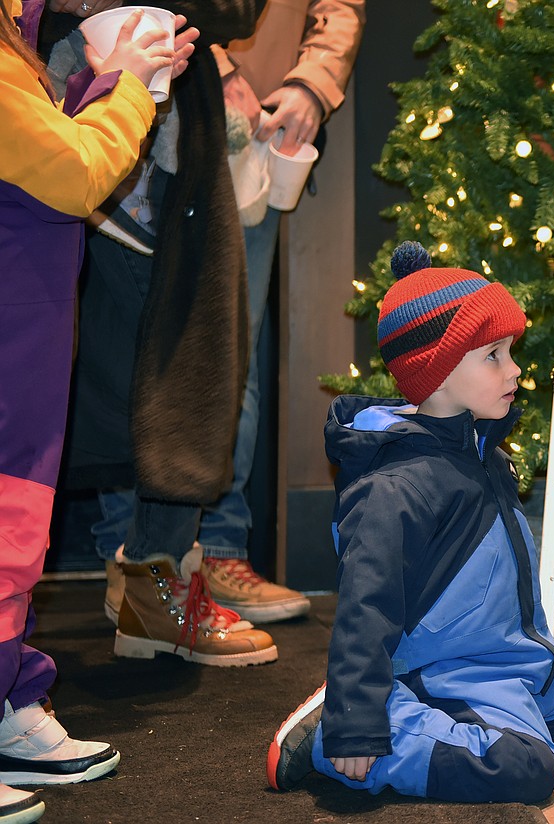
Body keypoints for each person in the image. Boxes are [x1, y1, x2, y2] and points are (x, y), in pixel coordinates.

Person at [267, 242, 554, 804]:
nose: (515, 369)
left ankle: (460, 715)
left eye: (511, 351)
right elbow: (368, 603)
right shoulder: (397, 486)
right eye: (494, 356)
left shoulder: (482, 451)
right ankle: (346, 728)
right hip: (448, 665)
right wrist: (356, 719)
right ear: (436, 373)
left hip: (510, 658)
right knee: (526, 768)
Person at [1, 2, 194, 820]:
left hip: (29, 337)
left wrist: (118, 76)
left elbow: (45, 156)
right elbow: (74, 174)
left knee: (15, 533)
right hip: (15, 330)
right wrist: (132, 91)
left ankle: (7, 696)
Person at [50, 0, 278, 667]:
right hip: (60, 141)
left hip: (167, 170)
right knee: (80, 396)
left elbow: (236, 8)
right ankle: (146, 595)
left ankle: (154, 593)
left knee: (186, 386)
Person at [191, 0, 366, 623]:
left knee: (231, 348)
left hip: (257, 134)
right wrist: (208, 62)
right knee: (133, 341)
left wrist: (312, 85)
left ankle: (214, 551)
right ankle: (136, 563)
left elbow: (338, 6)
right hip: (139, 96)